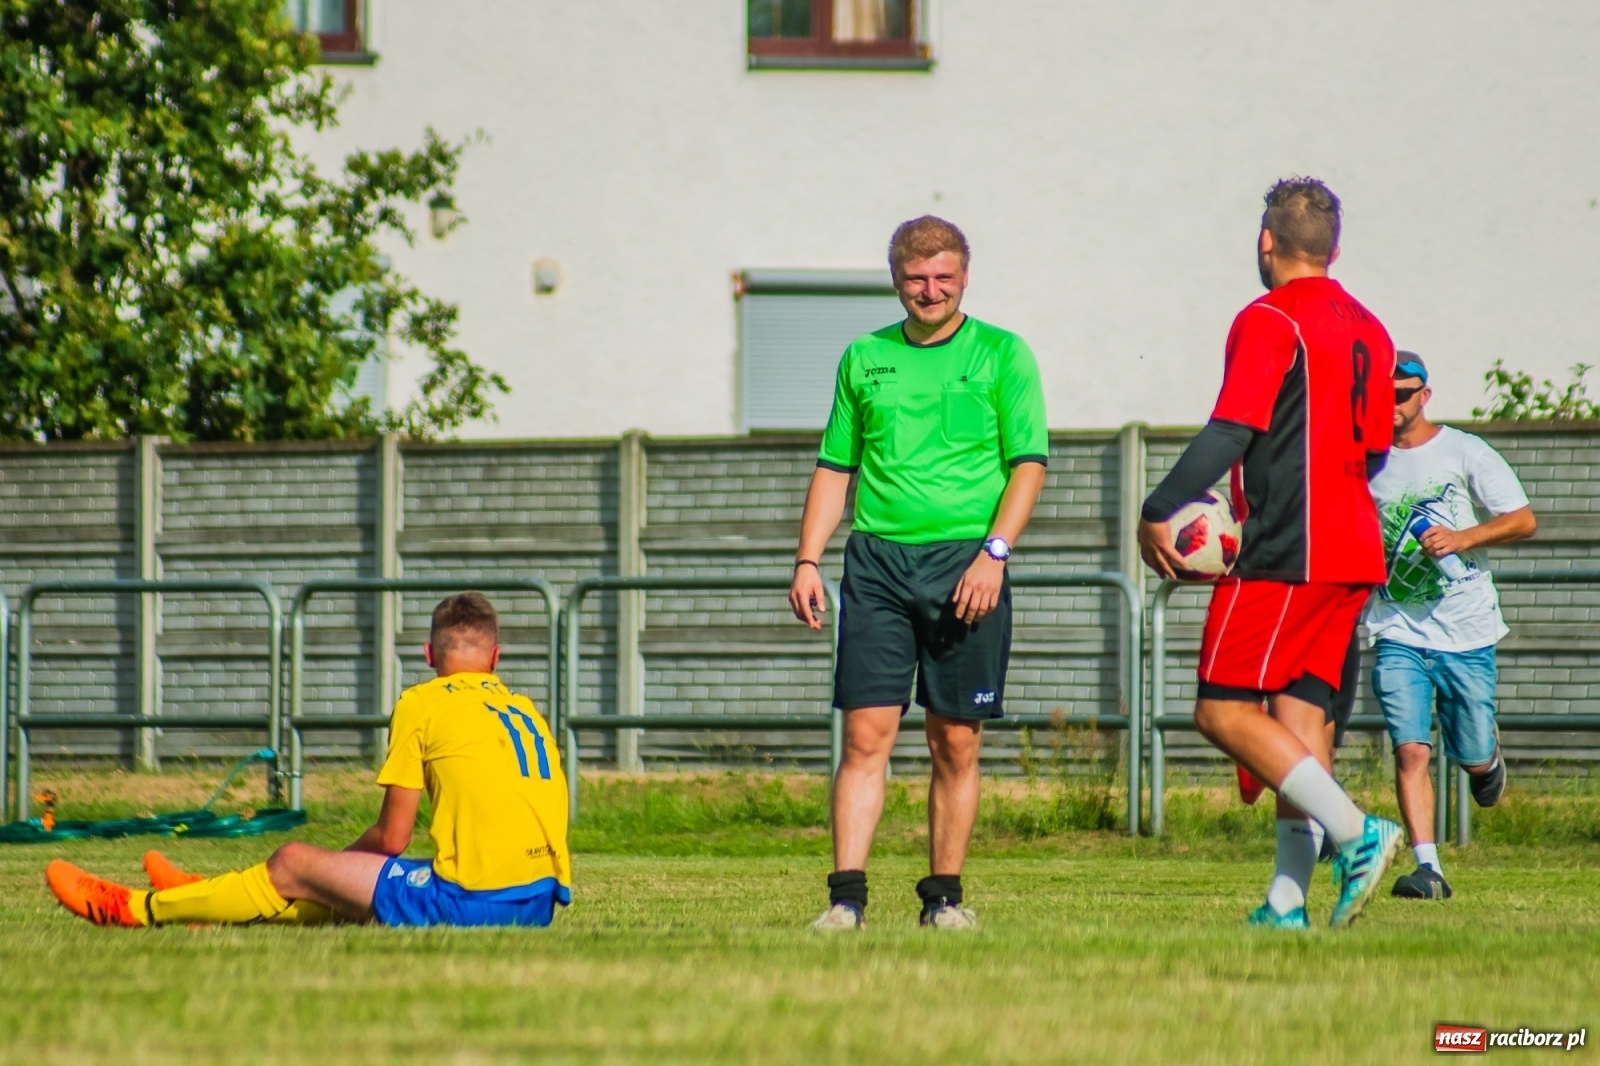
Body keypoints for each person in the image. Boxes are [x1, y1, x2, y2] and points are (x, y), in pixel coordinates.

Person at [1137, 177, 1404, 930]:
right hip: (1355, 549)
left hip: (1290, 549)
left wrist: (1157, 510)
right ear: (1335, 249)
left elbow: (1231, 430)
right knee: (1297, 721)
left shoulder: (1269, 318)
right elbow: (1377, 448)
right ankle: (1286, 903)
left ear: (1265, 242)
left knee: (1222, 709)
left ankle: (1357, 835)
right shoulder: (1373, 330)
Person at [789, 215, 1048, 931]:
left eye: (943, 277)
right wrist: (808, 557)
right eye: (915, 277)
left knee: (955, 741)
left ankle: (945, 901)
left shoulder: (1004, 354)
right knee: (864, 737)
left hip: (968, 563)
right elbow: (835, 467)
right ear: (895, 279)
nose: (930, 290)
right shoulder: (862, 357)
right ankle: (845, 902)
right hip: (876, 562)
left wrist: (994, 553)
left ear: (964, 276)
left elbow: (1029, 464)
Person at [46, 592, 572, 929]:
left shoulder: (423, 701)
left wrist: (335, 864)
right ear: (496, 658)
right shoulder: (524, 708)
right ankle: (206, 899)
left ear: (428, 655)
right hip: (539, 902)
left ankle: (134, 910)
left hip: (474, 902)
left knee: (295, 862)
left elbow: (392, 839)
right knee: (355, 887)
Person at [1367, 352, 1536, 900]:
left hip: (1464, 629)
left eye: (1403, 393)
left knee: (1470, 753)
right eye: (1382, 393)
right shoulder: (1363, 459)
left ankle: (1485, 763)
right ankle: (1429, 869)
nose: (1392, 404)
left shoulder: (1463, 450)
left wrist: (1463, 539)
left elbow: (1523, 520)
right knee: (1410, 749)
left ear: (1424, 395)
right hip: (1396, 627)